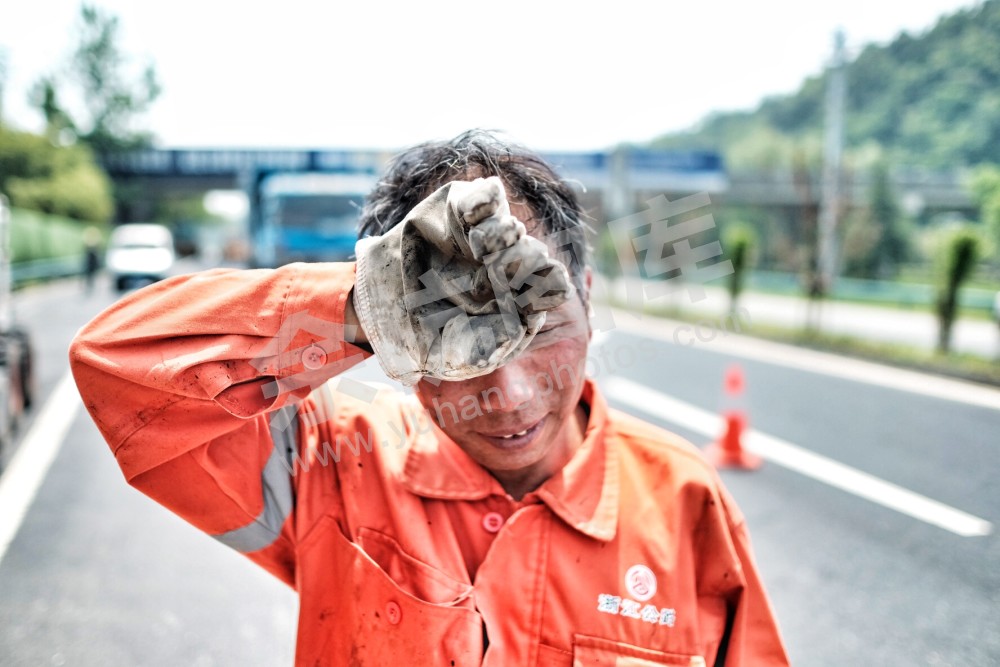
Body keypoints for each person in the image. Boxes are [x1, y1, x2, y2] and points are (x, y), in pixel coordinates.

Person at [70, 130, 789, 666]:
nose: (507, 394)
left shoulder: (684, 502)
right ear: (395, 343)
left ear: (590, 303)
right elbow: (119, 369)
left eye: (538, 326)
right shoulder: (331, 465)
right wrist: (360, 304)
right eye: (451, 338)